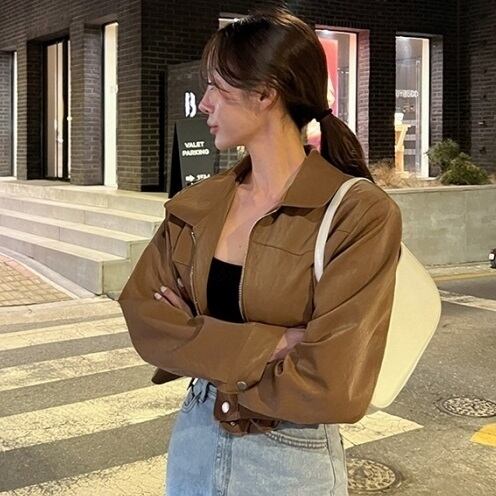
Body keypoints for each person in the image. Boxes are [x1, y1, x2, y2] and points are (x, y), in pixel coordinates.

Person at [118, 7, 402, 496]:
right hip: (194, 440)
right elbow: (147, 320)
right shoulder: (199, 205)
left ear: (266, 93)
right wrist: (274, 344)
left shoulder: (357, 214)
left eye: (216, 87)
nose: (203, 103)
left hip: (291, 458)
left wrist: (198, 335)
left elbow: (334, 384)